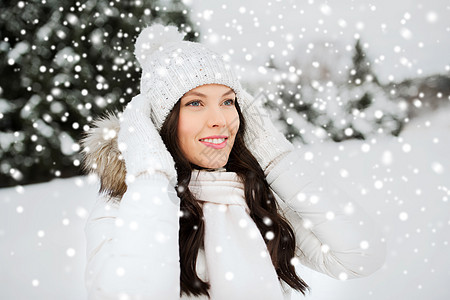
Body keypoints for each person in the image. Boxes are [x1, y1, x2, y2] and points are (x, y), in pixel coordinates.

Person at [81, 24, 386, 300]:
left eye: (228, 102)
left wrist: (272, 154)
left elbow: (360, 256)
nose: (220, 120)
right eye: (195, 103)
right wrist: (151, 174)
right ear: (160, 124)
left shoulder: (253, 197)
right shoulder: (124, 209)